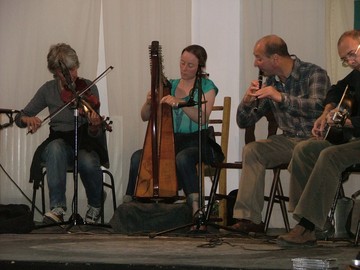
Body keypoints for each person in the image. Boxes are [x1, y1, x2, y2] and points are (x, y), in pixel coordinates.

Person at [230, 35, 331, 233]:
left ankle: (305, 223)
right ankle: (250, 219)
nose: (255, 63)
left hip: (316, 139)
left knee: (303, 149)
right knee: (253, 150)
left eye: (259, 58)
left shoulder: (314, 73)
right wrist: (247, 102)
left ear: (275, 58)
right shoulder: (271, 83)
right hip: (288, 140)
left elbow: (319, 108)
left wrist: (281, 98)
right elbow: (244, 122)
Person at [277, 29, 360, 246]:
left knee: (330, 155)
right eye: (345, 59)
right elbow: (335, 90)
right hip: (354, 140)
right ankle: (311, 222)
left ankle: (307, 226)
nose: (351, 61)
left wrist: (351, 122)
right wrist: (326, 112)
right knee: (304, 149)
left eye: (353, 54)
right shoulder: (357, 74)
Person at [15, 43, 109, 224]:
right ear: (56, 71)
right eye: (67, 71)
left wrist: (95, 125)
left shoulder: (88, 87)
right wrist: (28, 120)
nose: (73, 75)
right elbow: (21, 116)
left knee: (87, 161)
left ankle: (96, 203)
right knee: (55, 148)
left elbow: (95, 134)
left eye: (74, 68)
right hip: (60, 141)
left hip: (85, 141)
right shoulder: (48, 90)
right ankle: (57, 208)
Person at [124, 44, 219, 217]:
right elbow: (144, 116)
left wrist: (180, 103)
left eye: (190, 65)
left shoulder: (206, 86)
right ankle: (130, 204)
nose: (184, 68)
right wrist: (148, 102)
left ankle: (196, 209)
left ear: (200, 67)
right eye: (182, 63)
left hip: (198, 141)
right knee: (138, 156)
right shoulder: (169, 85)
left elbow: (203, 117)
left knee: (182, 158)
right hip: (173, 142)